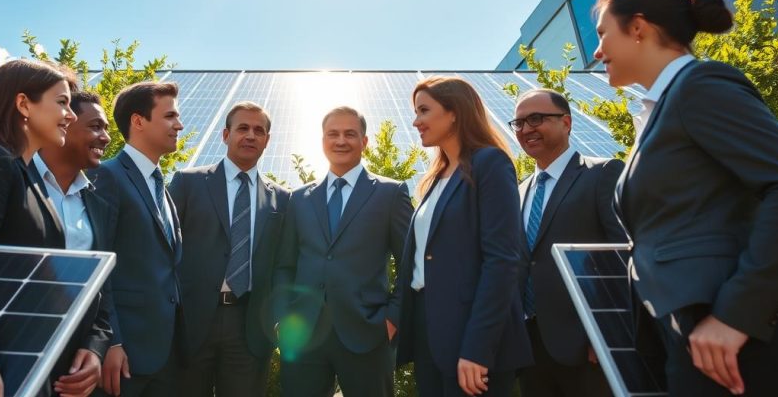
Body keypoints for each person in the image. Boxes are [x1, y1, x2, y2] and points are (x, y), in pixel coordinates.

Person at [593, 0, 778, 396]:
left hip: (742, 339)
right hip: (695, 335)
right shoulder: (663, 108)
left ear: (638, 28)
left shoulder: (701, 86)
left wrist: (737, 315)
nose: (598, 51)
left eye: (603, 34)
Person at [0, 59, 110, 397]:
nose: (71, 115)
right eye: (61, 103)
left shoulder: (24, 173)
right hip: (0, 365)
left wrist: (89, 344)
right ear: (23, 103)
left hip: (31, 359)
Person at [395, 76, 532, 397]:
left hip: (471, 335)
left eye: (424, 110)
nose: (415, 121)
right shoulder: (434, 179)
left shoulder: (490, 163)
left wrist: (478, 347)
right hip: (430, 330)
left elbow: (501, 261)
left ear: (454, 111)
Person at [274, 106, 413, 397]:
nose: (341, 141)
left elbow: (408, 264)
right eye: (332, 134)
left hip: (367, 333)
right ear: (322, 140)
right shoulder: (299, 199)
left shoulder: (391, 193)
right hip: (304, 335)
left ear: (364, 142)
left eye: (350, 134)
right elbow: (285, 264)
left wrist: (391, 319)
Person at [169, 101, 291, 396]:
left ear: (267, 140)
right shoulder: (188, 183)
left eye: (258, 130)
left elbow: (282, 265)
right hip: (192, 322)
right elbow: (165, 250)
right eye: (243, 128)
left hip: (249, 326)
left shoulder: (282, 199)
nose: (250, 135)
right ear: (225, 135)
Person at [510, 88, 626, 397]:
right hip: (530, 348)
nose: (526, 129)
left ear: (566, 122)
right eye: (519, 123)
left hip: (586, 345)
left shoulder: (603, 174)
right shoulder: (518, 192)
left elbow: (623, 256)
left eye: (536, 118)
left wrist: (606, 334)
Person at [91, 81, 185, 397]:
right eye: (170, 116)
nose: (179, 125)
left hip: (165, 354)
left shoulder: (163, 188)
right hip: (124, 356)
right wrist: (111, 341)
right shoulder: (107, 176)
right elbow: (98, 263)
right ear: (138, 121)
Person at [34, 90, 118, 396]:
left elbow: (101, 289)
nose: (106, 138)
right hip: (18, 364)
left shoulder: (98, 205)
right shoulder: (15, 183)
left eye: (106, 128)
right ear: (65, 121)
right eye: (96, 126)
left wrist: (95, 349)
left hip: (74, 373)